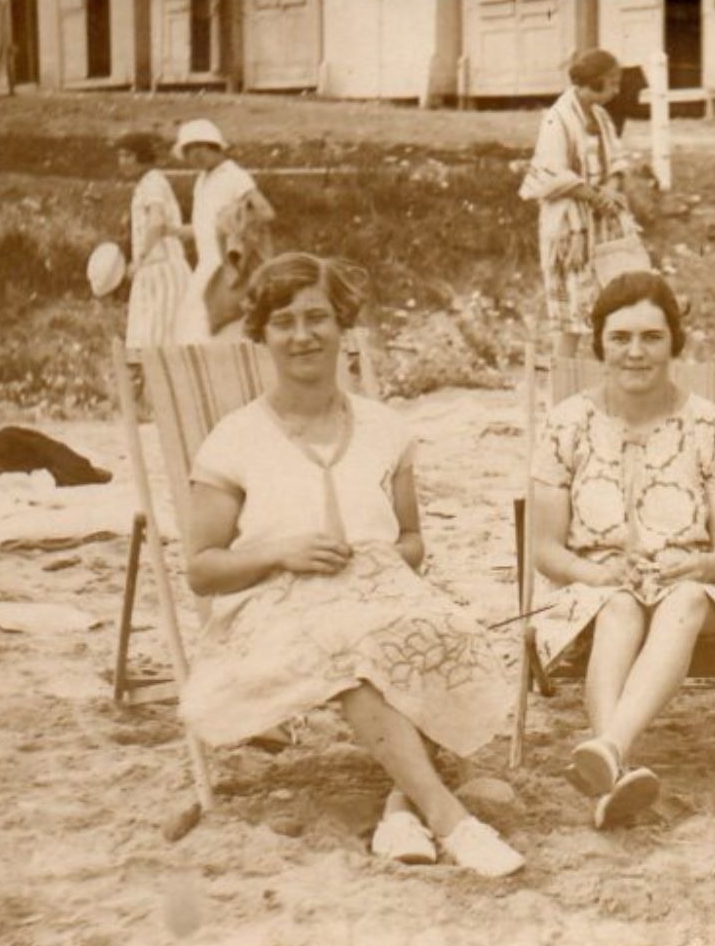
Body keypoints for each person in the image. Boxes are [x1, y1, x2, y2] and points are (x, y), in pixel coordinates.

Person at [178, 252, 523, 877]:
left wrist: (379, 560)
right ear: (261, 333)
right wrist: (279, 551)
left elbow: (414, 541)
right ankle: (453, 820)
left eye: (317, 317)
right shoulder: (234, 440)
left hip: (375, 600)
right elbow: (202, 569)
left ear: (343, 327)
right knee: (355, 653)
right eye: (283, 321)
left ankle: (399, 810)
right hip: (271, 616)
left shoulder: (386, 430)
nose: (303, 334)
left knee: (444, 635)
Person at [528, 271, 715, 829]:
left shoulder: (709, 424)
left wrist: (700, 564)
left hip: (694, 599)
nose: (635, 352)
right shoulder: (568, 425)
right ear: (600, 345)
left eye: (651, 337)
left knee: (683, 597)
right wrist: (595, 573)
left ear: (673, 343)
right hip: (591, 595)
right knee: (616, 607)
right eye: (620, 338)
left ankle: (608, 745)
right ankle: (616, 767)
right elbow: (545, 550)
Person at [520, 49, 635, 359]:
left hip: (602, 225)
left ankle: (606, 380)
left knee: (611, 307)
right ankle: (563, 387)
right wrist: (596, 197)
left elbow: (618, 160)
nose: (616, 90)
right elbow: (553, 175)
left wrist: (611, 188)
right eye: (611, 83)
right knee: (570, 315)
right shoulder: (557, 119)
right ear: (592, 83)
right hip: (571, 227)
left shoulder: (599, 116)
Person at [171, 119, 275, 343]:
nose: (196, 154)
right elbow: (205, 225)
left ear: (215, 146)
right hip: (207, 264)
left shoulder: (234, 175)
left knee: (219, 322)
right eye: (189, 150)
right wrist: (174, 232)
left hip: (230, 265)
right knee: (194, 322)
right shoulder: (201, 179)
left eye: (202, 147)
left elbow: (265, 212)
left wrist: (235, 225)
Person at [117, 132, 192, 348]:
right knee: (146, 341)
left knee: (159, 342)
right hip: (153, 270)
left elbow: (156, 221)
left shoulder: (153, 181)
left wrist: (139, 259)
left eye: (129, 156)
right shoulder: (145, 184)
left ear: (143, 156)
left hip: (162, 270)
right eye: (121, 156)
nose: (123, 161)